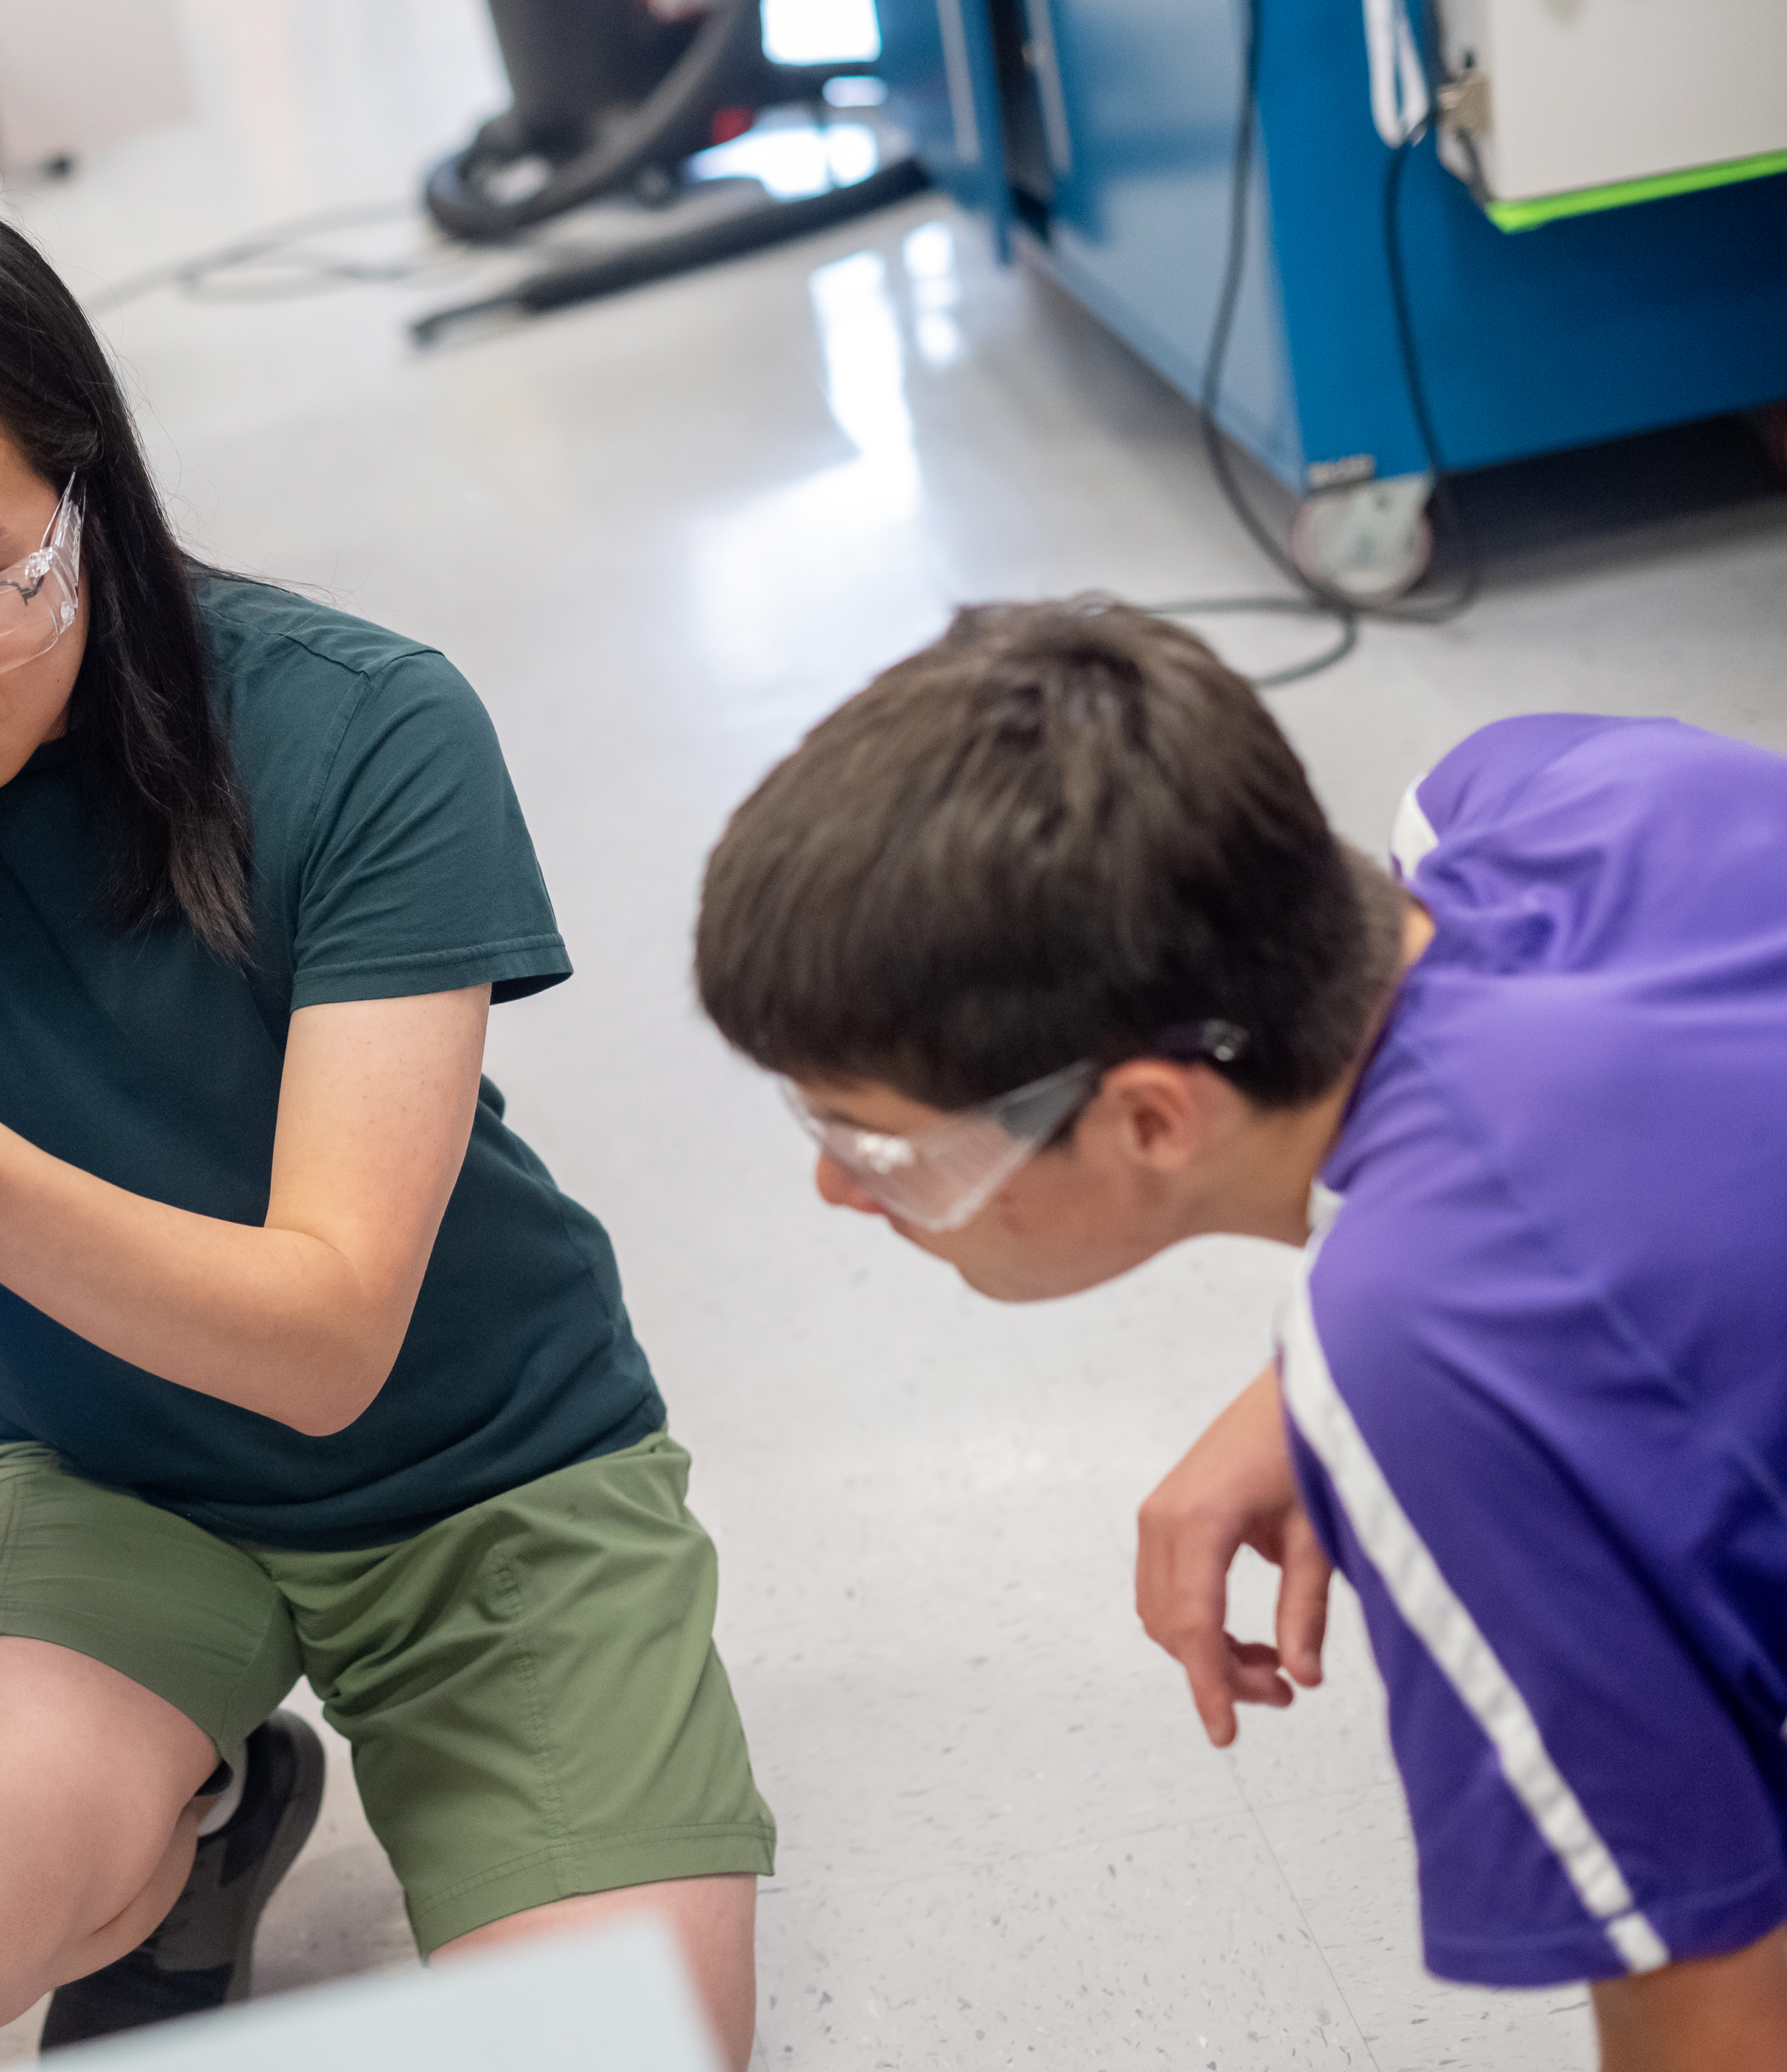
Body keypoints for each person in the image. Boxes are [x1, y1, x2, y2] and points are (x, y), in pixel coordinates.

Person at [0, 201, 774, 2054]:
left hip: (484, 1467)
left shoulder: (365, 731)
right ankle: (216, 1809)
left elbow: (330, 1342)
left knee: (613, 2047)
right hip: (103, 1468)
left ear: (95, 507)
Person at [692, 599, 1787, 2071]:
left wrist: (1379, 1381)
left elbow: (1717, 1993)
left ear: (1152, 1115)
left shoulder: (1432, 1359)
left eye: (889, 1153)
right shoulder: (1535, 790)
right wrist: (1307, 1389)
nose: (837, 1187)